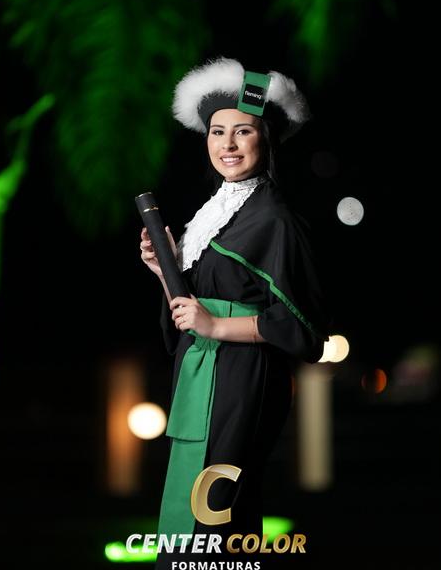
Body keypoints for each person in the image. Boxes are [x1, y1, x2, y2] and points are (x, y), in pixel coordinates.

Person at [140, 56, 329, 568]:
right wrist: (164, 271)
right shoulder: (218, 211)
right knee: (193, 496)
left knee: (218, 503)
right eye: (217, 131)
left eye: (243, 131)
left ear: (266, 140)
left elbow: (305, 330)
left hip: (244, 376)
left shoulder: (275, 220)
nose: (228, 144)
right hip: (203, 368)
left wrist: (217, 324)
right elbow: (193, 307)